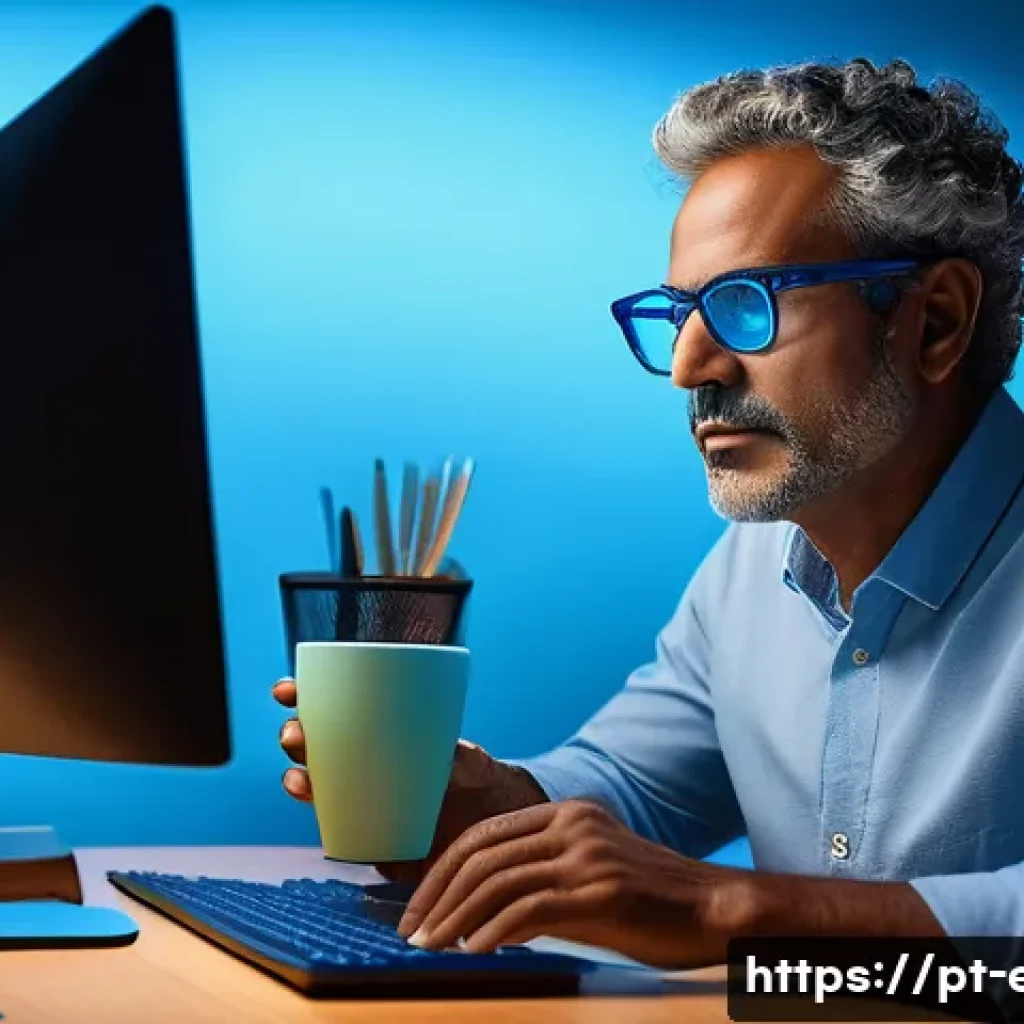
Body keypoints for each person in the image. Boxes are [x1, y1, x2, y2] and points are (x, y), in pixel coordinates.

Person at [274, 57, 1024, 969]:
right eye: (681, 314)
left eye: (748, 305)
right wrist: (471, 803)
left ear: (935, 322)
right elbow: (627, 791)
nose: (689, 367)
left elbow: (711, 902)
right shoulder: (750, 571)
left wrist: (737, 908)